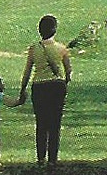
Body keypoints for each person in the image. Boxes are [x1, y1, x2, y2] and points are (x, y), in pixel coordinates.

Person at [18, 13, 72, 166]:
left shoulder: (34, 49)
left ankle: (41, 157)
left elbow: (28, 71)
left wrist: (22, 89)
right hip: (57, 86)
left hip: (39, 86)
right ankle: (53, 159)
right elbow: (68, 70)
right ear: (55, 30)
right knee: (55, 123)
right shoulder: (62, 49)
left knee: (41, 123)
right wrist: (65, 82)